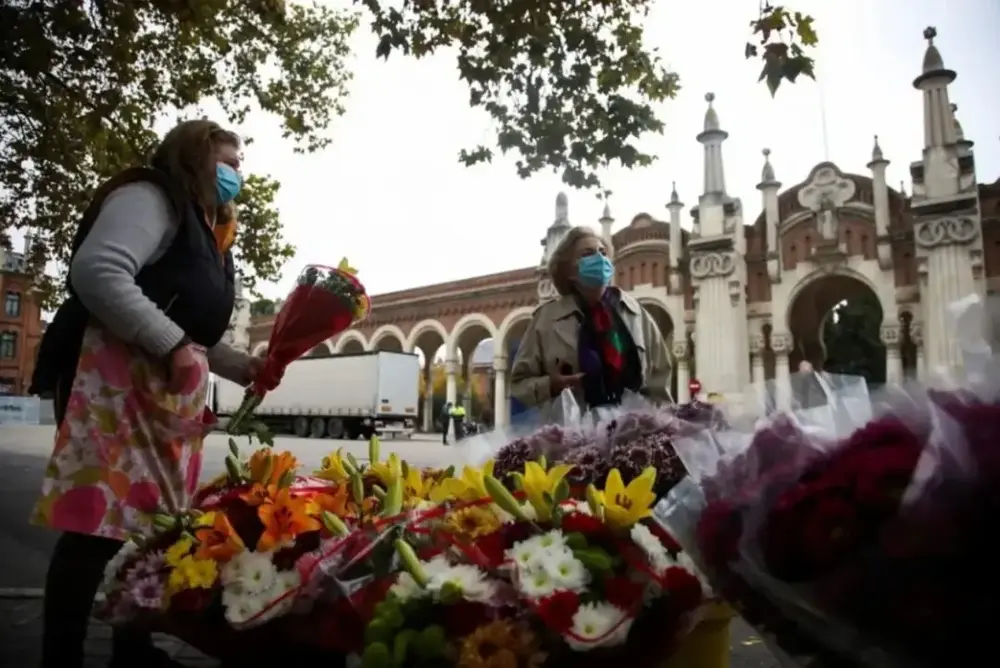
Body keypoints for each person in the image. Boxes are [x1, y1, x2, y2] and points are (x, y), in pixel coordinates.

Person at [29, 120, 278, 668]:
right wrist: (171, 344)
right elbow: (98, 272)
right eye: (227, 160)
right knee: (95, 525)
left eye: (241, 163)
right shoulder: (151, 197)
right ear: (193, 156)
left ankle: (132, 648)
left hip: (160, 387)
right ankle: (61, 655)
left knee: (153, 524)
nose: (238, 173)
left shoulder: (211, 230)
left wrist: (240, 365)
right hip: (112, 378)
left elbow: (192, 326)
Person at [510, 226, 673, 412]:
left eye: (603, 253)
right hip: (572, 435)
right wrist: (551, 385)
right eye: (587, 254)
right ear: (568, 271)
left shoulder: (636, 314)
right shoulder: (546, 320)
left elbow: (660, 383)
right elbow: (518, 384)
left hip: (633, 431)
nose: (599, 258)